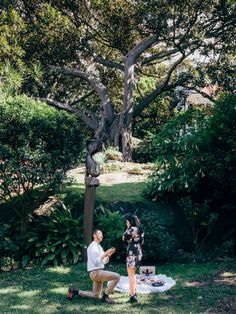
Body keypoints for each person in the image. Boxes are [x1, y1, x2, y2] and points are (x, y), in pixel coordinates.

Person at [67, 229, 120, 304]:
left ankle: (75, 291)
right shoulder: (92, 247)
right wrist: (106, 253)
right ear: (94, 235)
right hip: (96, 272)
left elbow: (103, 261)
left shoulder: (98, 246)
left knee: (96, 296)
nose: (101, 235)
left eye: (102, 234)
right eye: (99, 233)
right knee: (117, 276)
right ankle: (106, 297)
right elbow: (96, 262)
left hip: (98, 272)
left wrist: (108, 254)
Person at [122, 213, 144, 303]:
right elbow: (142, 242)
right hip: (138, 252)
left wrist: (128, 228)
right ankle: (134, 293)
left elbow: (123, 238)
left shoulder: (131, 229)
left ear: (130, 221)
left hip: (131, 253)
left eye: (127, 221)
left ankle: (132, 297)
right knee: (133, 274)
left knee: (131, 276)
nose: (126, 223)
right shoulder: (140, 229)